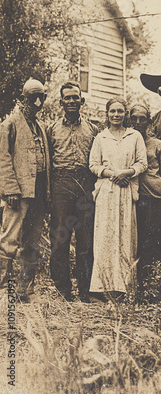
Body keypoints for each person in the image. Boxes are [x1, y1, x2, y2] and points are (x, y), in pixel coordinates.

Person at [89, 97, 147, 297]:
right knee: (105, 236)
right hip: (106, 191)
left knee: (125, 236)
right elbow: (93, 165)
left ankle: (123, 288)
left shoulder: (134, 136)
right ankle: (101, 288)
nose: (116, 115)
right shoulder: (101, 137)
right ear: (107, 114)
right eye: (112, 111)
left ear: (125, 115)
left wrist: (127, 173)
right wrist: (113, 174)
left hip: (126, 191)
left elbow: (142, 163)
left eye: (120, 111)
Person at [47, 81, 98, 302]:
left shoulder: (93, 129)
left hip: (85, 185)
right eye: (67, 98)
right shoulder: (52, 130)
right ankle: (63, 291)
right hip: (61, 185)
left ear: (82, 101)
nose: (71, 101)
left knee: (85, 239)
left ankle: (86, 291)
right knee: (60, 238)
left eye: (75, 97)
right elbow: (48, 163)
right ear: (61, 102)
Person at [0, 78, 50, 302]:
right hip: (17, 192)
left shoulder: (39, 125)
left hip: (38, 190)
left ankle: (25, 290)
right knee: (9, 239)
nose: (37, 102)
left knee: (32, 241)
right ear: (23, 98)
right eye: (33, 97)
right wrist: (10, 188)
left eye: (41, 97)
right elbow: (3, 158)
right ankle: (4, 290)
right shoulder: (10, 123)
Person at [130, 103, 161, 288]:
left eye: (142, 118)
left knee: (152, 241)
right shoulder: (127, 140)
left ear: (149, 121)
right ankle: (134, 284)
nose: (138, 122)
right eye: (134, 118)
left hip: (153, 197)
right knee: (135, 241)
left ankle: (151, 285)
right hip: (132, 197)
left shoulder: (157, 145)